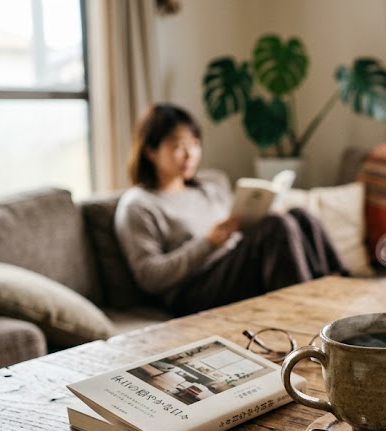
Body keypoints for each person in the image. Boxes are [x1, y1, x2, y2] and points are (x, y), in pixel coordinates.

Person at [115, 103, 347, 316]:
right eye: (178, 145)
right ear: (150, 151)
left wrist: (258, 216)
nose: (190, 154)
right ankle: (308, 314)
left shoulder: (207, 187)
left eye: (194, 144)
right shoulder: (138, 204)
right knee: (277, 227)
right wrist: (207, 243)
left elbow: (239, 235)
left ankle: (343, 291)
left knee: (297, 215)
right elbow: (149, 277)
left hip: (232, 271)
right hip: (192, 292)